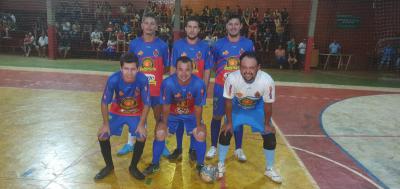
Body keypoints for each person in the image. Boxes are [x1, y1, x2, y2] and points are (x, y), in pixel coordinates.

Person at [217, 51, 282, 183]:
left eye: (251, 68)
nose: (247, 71)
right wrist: (229, 122)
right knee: (225, 132)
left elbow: (268, 105)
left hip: (256, 108)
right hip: (237, 107)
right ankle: (220, 164)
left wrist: (267, 123)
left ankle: (269, 168)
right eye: (244, 67)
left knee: (269, 136)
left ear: (258, 67)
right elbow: (228, 102)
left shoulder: (267, 80)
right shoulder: (232, 78)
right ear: (240, 67)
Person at [142, 56, 208, 176]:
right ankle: (155, 164)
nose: (183, 73)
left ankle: (200, 165)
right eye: (180, 69)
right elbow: (166, 106)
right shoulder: (168, 83)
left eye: (187, 70)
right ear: (176, 70)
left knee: (201, 134)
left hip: (191, 114)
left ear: (192, 70)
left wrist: (198, 125)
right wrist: (164, 123)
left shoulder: (199, 84)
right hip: (172, 114)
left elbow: (198, 107)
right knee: (160, 132)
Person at [94, 53, 150, 181]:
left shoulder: (143, 79)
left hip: (136, 112)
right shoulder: (113, 79)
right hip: (118, 110)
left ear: (138, 69)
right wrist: (105, 124)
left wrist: (141, 125)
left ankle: (133, 167)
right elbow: (104, 102)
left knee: (142, 136)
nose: (129, 73)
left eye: (133, 69)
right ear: (121, 68)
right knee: (102, 135)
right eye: (126, 69)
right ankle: (109, 166)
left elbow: (147, 103)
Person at [120, 14, 170, 156]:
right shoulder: (134, 44)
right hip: (137, 90)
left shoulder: (162, 45)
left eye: (152, 23)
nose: (149, 26)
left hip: (156, 90)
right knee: (135, 116)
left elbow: (166, 67)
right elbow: (129, 65)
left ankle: (162, 144)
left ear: (156, 26)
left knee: (159, 118)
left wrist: (154, 75)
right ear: (142, 25)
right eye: (146, 23)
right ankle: (130, 143)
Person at [206, 15, 254, 162]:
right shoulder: (218, 45)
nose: (233, 27)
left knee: (237, 118)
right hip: (221, 87)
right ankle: (214, 146)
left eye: (236, 24)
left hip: (240, 89)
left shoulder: (248, 44)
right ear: (226, 26)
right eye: (230, 24)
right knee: (216, 117)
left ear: (240, 26)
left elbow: (253, 65)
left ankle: (238, 148)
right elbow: (211, 65)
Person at [169, 16, 212, 161]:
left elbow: (207, 69)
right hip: (179, 90)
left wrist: (204, 89)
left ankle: (193, 149)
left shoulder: (205, 46)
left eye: (195, 27)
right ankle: (179, 148)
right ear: (185, 29)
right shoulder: (178, 45)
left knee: (195, 120)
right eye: (189, 26)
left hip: (196, 91)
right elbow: (173, 68)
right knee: (180, 118)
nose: (192, 30)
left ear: (199, 29)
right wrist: (172, 88)